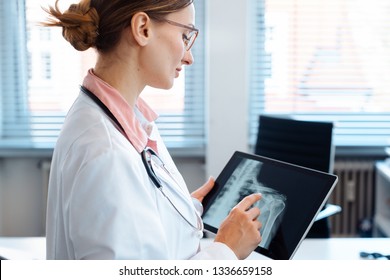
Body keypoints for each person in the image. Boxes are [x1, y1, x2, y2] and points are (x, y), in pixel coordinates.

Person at [42, 0, 262, 260]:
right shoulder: (107, 153)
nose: (189, 57)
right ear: (143, 28)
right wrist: (225, 250)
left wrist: (182, 210)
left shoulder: (119, 119)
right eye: (185, 35)